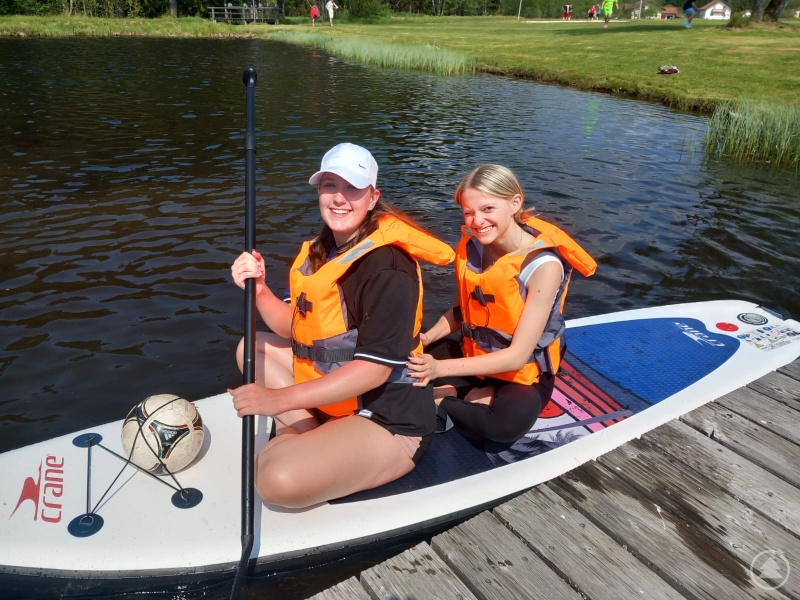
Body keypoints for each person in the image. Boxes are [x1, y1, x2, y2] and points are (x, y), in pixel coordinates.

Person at [229, 143, 455, 509]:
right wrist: (260, 292)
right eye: (330, 185)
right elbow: (294, 329)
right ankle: (307, 430)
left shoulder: (388, 268)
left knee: (275, 480)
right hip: (336, 398)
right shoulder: (323, 250)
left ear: (373, 197)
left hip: (386, 418)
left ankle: (297, 434)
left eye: (352, 188)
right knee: (250, 347)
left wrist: (278, 401)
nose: (339, 198)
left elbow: (373, 371)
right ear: (319, 191)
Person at [406, 165, 596, 445]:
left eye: (488, 209)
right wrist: (425, 339)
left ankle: (442, 399)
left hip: (519, 372)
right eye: (468, 212)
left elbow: (517, 357)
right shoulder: (476, 245)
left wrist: (438, 369)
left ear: (515, 203)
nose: (477, 221)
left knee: (502, 427)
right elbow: (461, 311)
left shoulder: (543, 266)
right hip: (474, 356)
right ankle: (470, 393)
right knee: (401, 359)